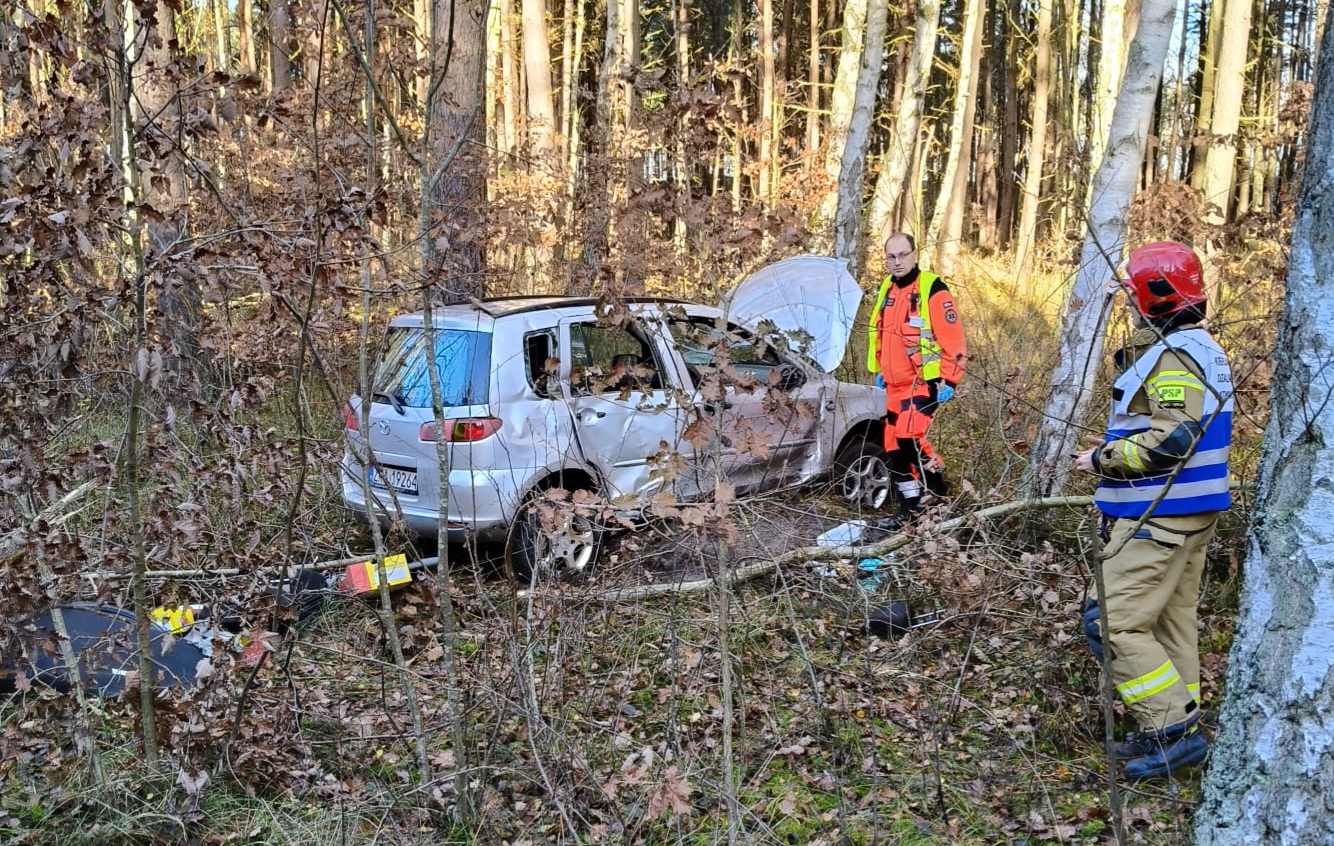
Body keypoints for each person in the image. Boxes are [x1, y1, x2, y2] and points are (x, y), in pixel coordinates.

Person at [1073, 240, 1233, 781]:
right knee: (1169, 623)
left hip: (1159, 515)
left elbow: (1172, 441)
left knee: (1110, 621)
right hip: (1189, 512)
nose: (1130, 305)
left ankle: (1168, 730)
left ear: (1154, 297)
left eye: (1134, 295)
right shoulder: (1199, 348)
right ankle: (1180, 727)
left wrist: (1101, 458)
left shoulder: (1177, 355)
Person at [866, 233, 966, 525]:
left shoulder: (932, 289)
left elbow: (955, 342)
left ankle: (937, 496)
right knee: (893, 447)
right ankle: (910, 510)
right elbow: (880, 333)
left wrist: (949, 381)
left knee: (910, 436)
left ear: (914, 255)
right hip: (894, 385)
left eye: (902, 255)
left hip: (925, 383)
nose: (896, 262)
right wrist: (880, 369)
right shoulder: (887, 288)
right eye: (891, 257)